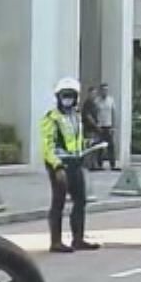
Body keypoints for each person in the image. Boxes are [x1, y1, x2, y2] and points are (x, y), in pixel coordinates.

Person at [41, 77, 100, 253]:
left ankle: (78, 239)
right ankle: (56, 242)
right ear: (58, 97)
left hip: (75, 162)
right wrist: (57, 167)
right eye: (64, 95)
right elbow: (47, 146)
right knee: (58, 202)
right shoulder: (51, 118)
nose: (68, 98)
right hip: (59, 165)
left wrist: (86, 145)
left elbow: (74, 140)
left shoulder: (76, 117)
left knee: (80, 200)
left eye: (71, 95)